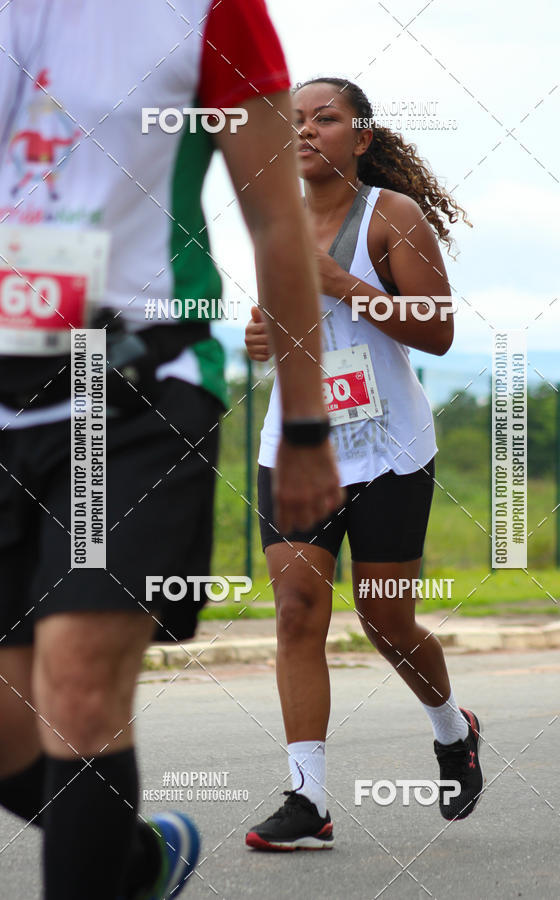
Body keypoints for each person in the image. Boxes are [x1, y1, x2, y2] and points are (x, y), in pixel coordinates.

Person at [0, 3, 341, 898]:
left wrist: (302, 424)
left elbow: (273, 223)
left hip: (134, 383)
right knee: (7, 728)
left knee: (76, 685)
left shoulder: (208, 9)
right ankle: (138, 860)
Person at [244, 77, 484, 852]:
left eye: (327, 119)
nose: (307, 131)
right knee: (296, 613)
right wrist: (263, 338)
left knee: (385, 621)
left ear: (364, 136)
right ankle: (306, 797)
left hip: (389, 452)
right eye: (295, 122)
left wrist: (347, 283)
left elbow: (438, 329)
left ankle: (452, 730)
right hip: (300, 445)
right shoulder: (273, 223)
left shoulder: (394, 217)